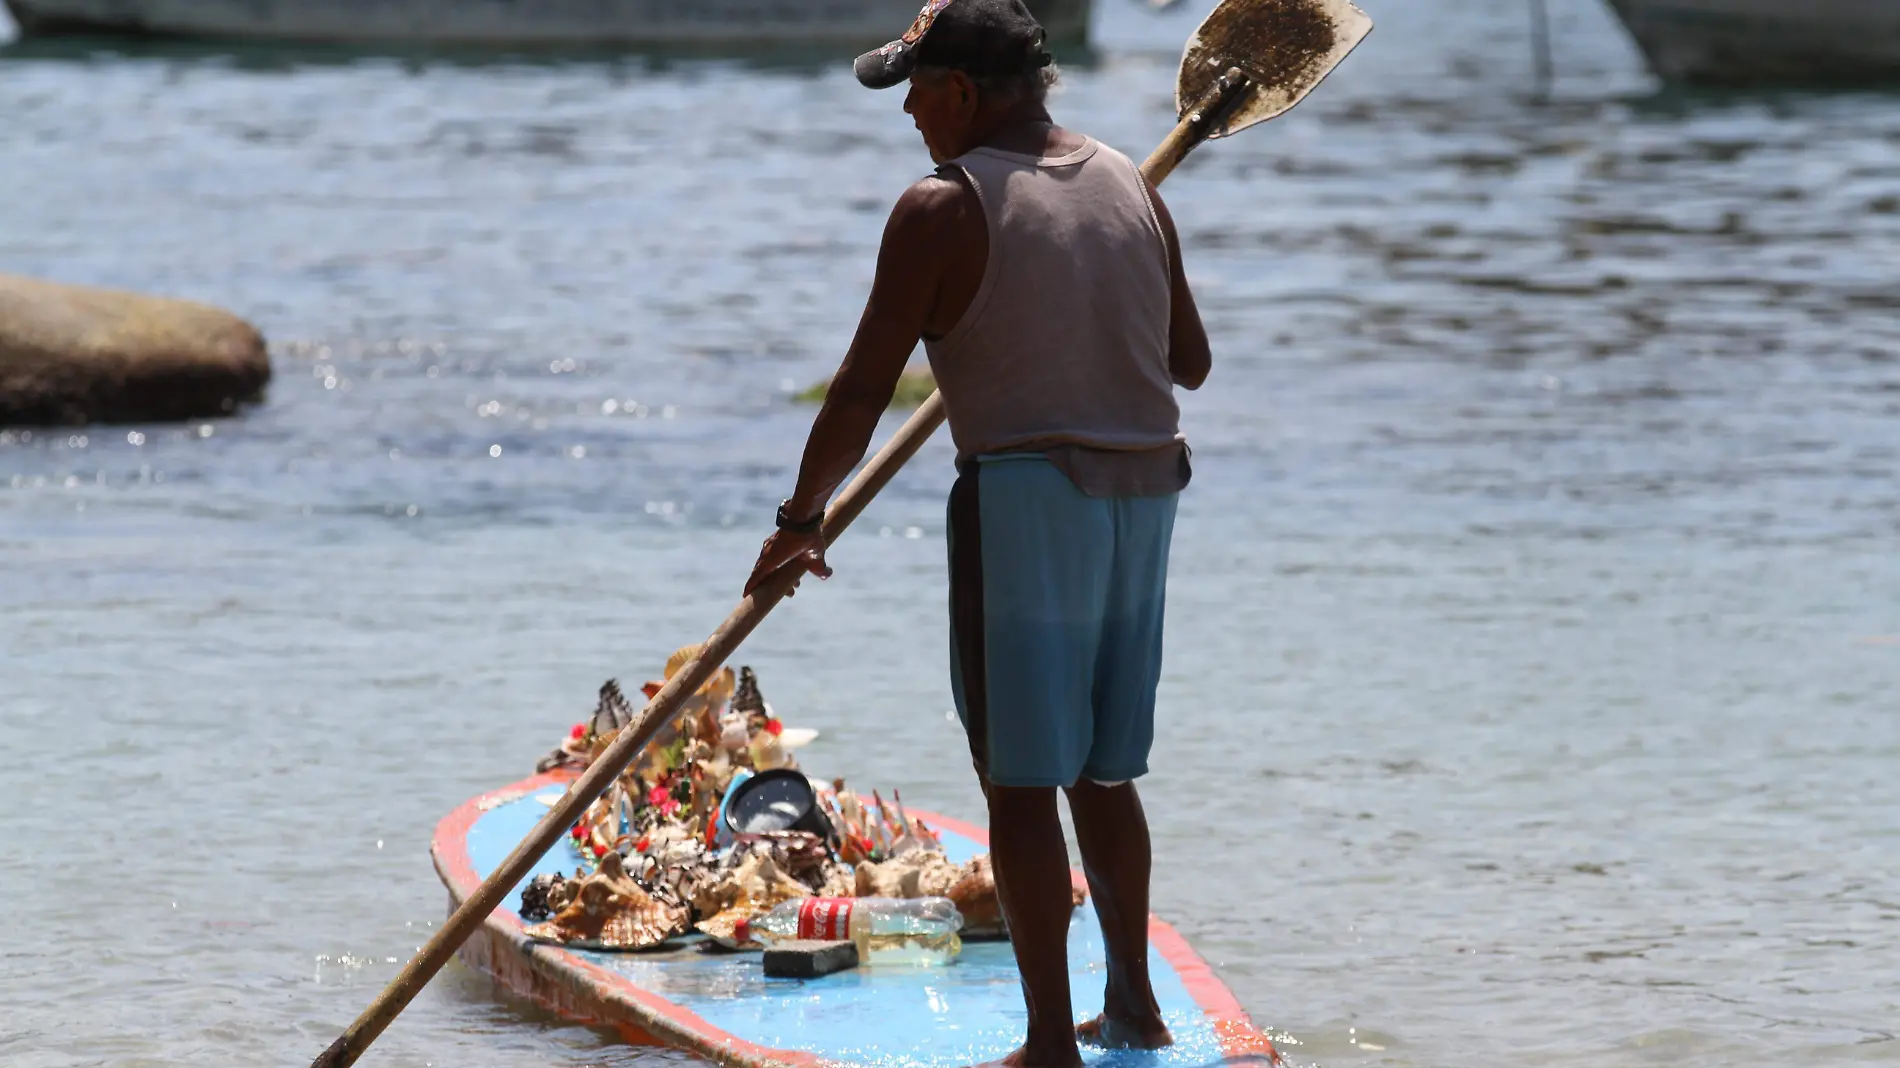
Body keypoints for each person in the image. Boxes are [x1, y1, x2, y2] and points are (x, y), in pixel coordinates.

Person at [745, 0, 1209, 1064]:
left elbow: (863, 390)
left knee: (1020, 777)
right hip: (1146, 492)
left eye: (914, 89)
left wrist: (800, 519)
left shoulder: (940, 208)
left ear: (959, 91)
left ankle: (1049, 1044)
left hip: (1027, 498)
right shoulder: (1131, 184)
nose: (907, 111)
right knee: (1102, 771)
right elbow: (1188, 363)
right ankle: (1131, 1006)